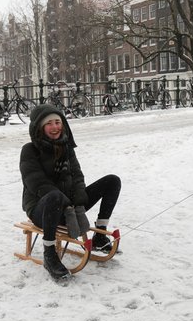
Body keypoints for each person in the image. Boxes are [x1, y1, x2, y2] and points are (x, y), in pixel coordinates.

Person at [19, 103, 121, 281]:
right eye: (49, 123)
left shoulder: (66, 148)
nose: (55, 127)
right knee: (54, 195)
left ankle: (100, 233)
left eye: (58, 122)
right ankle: (49, 253)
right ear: (40, 127)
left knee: (112, 181)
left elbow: (77, 176)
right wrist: (66, 202)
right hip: (41, 209)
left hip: (70, 207)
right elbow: (37, 183)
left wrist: (79, 199)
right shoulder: (29, 150)